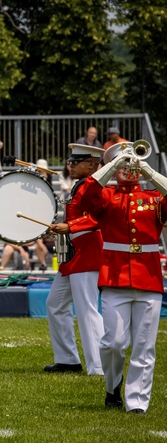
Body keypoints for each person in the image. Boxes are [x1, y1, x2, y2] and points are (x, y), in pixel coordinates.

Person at [78, 143, 167, 414]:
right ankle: (112, 385)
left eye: (132, 162)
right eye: (123, 163)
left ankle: (137, 403)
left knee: (144, 346)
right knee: (113, 343)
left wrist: (149, 171)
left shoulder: (153, 196)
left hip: (149, 278)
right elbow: (84, 195)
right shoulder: (107, 196)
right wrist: (111, 166)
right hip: (115, 277)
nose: (129, 168)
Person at [45, 144, 105, 375]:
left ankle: (99, 366)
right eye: (70, 161)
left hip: (88, 250)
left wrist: (69, 226)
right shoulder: (80, 186)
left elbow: (98, 217)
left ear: (91, 164)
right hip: (73, 252)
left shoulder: (95, 186)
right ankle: (68, 360)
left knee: (87, 308)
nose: (70, 165)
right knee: (55, 304)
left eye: (75, 162)